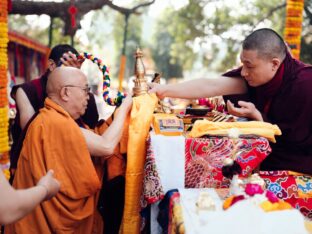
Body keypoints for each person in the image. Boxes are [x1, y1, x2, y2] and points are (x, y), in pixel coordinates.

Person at [148, 28, 312, 175]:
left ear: (274, 64)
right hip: (265, 162)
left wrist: (257, 116)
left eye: (249, 66)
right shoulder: (253, 79)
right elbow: (211, 85)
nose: (244, 72)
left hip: (299, 169)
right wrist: (163, 90)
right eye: (242, 64)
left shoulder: (305, 84)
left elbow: (294, 142)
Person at [5, 67, 132, 233]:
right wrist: (124, 109)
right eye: (85, 90)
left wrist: (117, 115)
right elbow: (105, 146)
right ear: (65, 93)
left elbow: (95, 138)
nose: (89, 96)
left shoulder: (55, 119)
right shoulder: (54, 123)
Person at [10, 44, 99, 177]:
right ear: (52, 65)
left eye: (75, 70)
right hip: (34, 163)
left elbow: (92, 121)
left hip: (70, 162)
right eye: (68, 68)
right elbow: (31, 131)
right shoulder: (26, 90)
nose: (71, 73)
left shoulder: (78, 90)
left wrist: (77, 88)